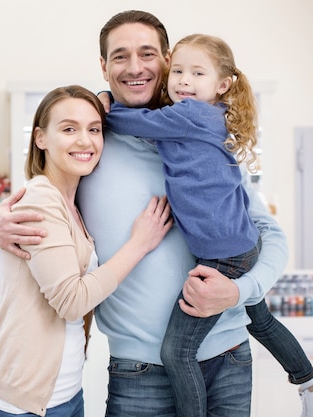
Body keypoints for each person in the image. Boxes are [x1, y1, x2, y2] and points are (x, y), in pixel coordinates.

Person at [0, 10, 290, 417]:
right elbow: (46, 212)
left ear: (167, 60)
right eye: (120, 56)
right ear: (104, 68)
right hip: (138, 371)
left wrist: (240, 291)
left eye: (147, 53)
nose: (135, 67)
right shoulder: (90, 144)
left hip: (227, 356)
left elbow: (269, 233)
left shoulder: (204, 140)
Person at [104, 32, 313, 417]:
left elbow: (131, 122)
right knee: (261, 319)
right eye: (180, 72)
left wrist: (100, 105)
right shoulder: (203, 118)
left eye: (196, 73)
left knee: (177, 352)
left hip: (223, 257)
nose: (184, 80)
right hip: (237, 247)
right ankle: (306, 377)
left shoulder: (187, 115)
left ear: (222, 85)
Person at [0, 85, 173, 417]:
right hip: (26, 402)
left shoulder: (73, 200)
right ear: (40, 138)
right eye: (69, 129)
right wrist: (139, 244)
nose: (85, 141)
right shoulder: (42, 198)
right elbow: (71, 302)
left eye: (94, 129)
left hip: (64, 392)